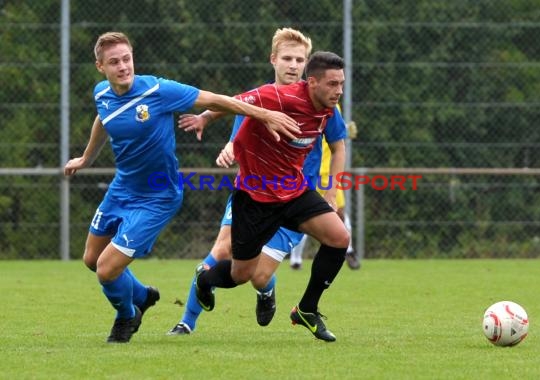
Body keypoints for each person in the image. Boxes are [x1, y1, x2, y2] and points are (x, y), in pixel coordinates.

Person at [63, 31, 299, 343]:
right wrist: (86, 157)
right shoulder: (102, 93)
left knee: (106, 270)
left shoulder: (159, 91)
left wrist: (265, 113)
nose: (123, 66)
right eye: (114, 62)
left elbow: (216, 100)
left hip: (158, 195)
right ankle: (142, 297)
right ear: (100, 67)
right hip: (122, 188)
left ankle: (127, 315)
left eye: (126, 59)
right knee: (91, 260)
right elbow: (104, 119)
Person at [168, 28, 347, 336]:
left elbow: (339, 144)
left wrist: (333, 187)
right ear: (273, 60)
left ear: (307, 69)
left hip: (294, 192)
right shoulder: (268, 96)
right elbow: (235, 107)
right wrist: (212, 124)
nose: (293, 65)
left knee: (335, 239)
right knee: (232, 263)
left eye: (299, 60)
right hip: (254, 195)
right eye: (287, 58)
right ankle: (189, 316)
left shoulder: (326, 105)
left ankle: (305, 309)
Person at [290, 124, 361, 270]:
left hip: (330, 173)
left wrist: (344, 129)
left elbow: (336, 132)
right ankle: (295, 258)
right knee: (305, 215)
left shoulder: (334, 106)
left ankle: (348, 250)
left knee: (339, 211)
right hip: (312, 172)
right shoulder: (308, 106)